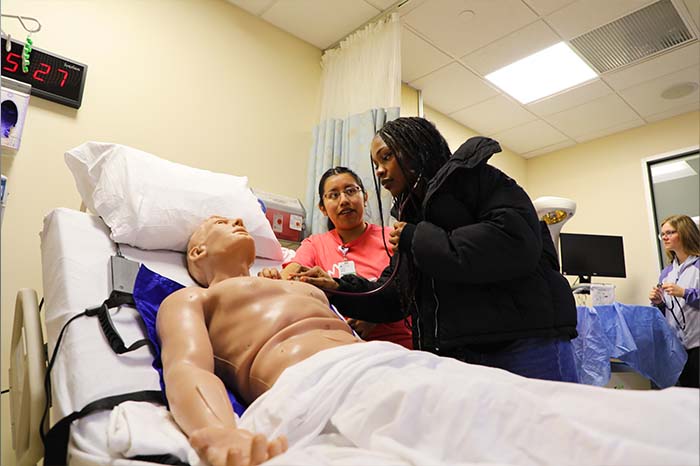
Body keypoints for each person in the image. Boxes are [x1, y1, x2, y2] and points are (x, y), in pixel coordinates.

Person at [157, 215, 698, 466]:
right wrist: (215, 432)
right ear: (197, 256)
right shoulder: (191, 300)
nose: (233, 220)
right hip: (317, 385)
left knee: (526, 405)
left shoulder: (298, 281)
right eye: (216, 223)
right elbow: (188, 370)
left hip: (385, 363)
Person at [292, 117, 579, 382]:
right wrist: (338, 287)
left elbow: (514, 243)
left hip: (526, 343)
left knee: (557, 434)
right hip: (463, 353)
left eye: (386, 157)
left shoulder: (477, 179)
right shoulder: (411, 220)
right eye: (375, 163)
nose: (379, 171)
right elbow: (395, 296)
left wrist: (417, 238)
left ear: (415, 148)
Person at [260, 166, 412, 348]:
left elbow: (407, 293)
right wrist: (272, 281)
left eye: (351, 191)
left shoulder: (392, 238)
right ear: (322, 208)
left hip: (397, 344)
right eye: (333, 195)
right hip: (338, 346)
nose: (344, 200)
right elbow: (291, 277)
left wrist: (376, 315)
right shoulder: (314, 244)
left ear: (364, 197)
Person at [649, 214, 700, 388]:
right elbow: (666, 312)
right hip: (678, 349)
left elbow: (687, 297)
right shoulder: (667, 273)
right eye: (662, 234)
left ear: (685, 234)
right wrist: (659, 302)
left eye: (670, 232)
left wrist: (685, 293)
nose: (664, 237)